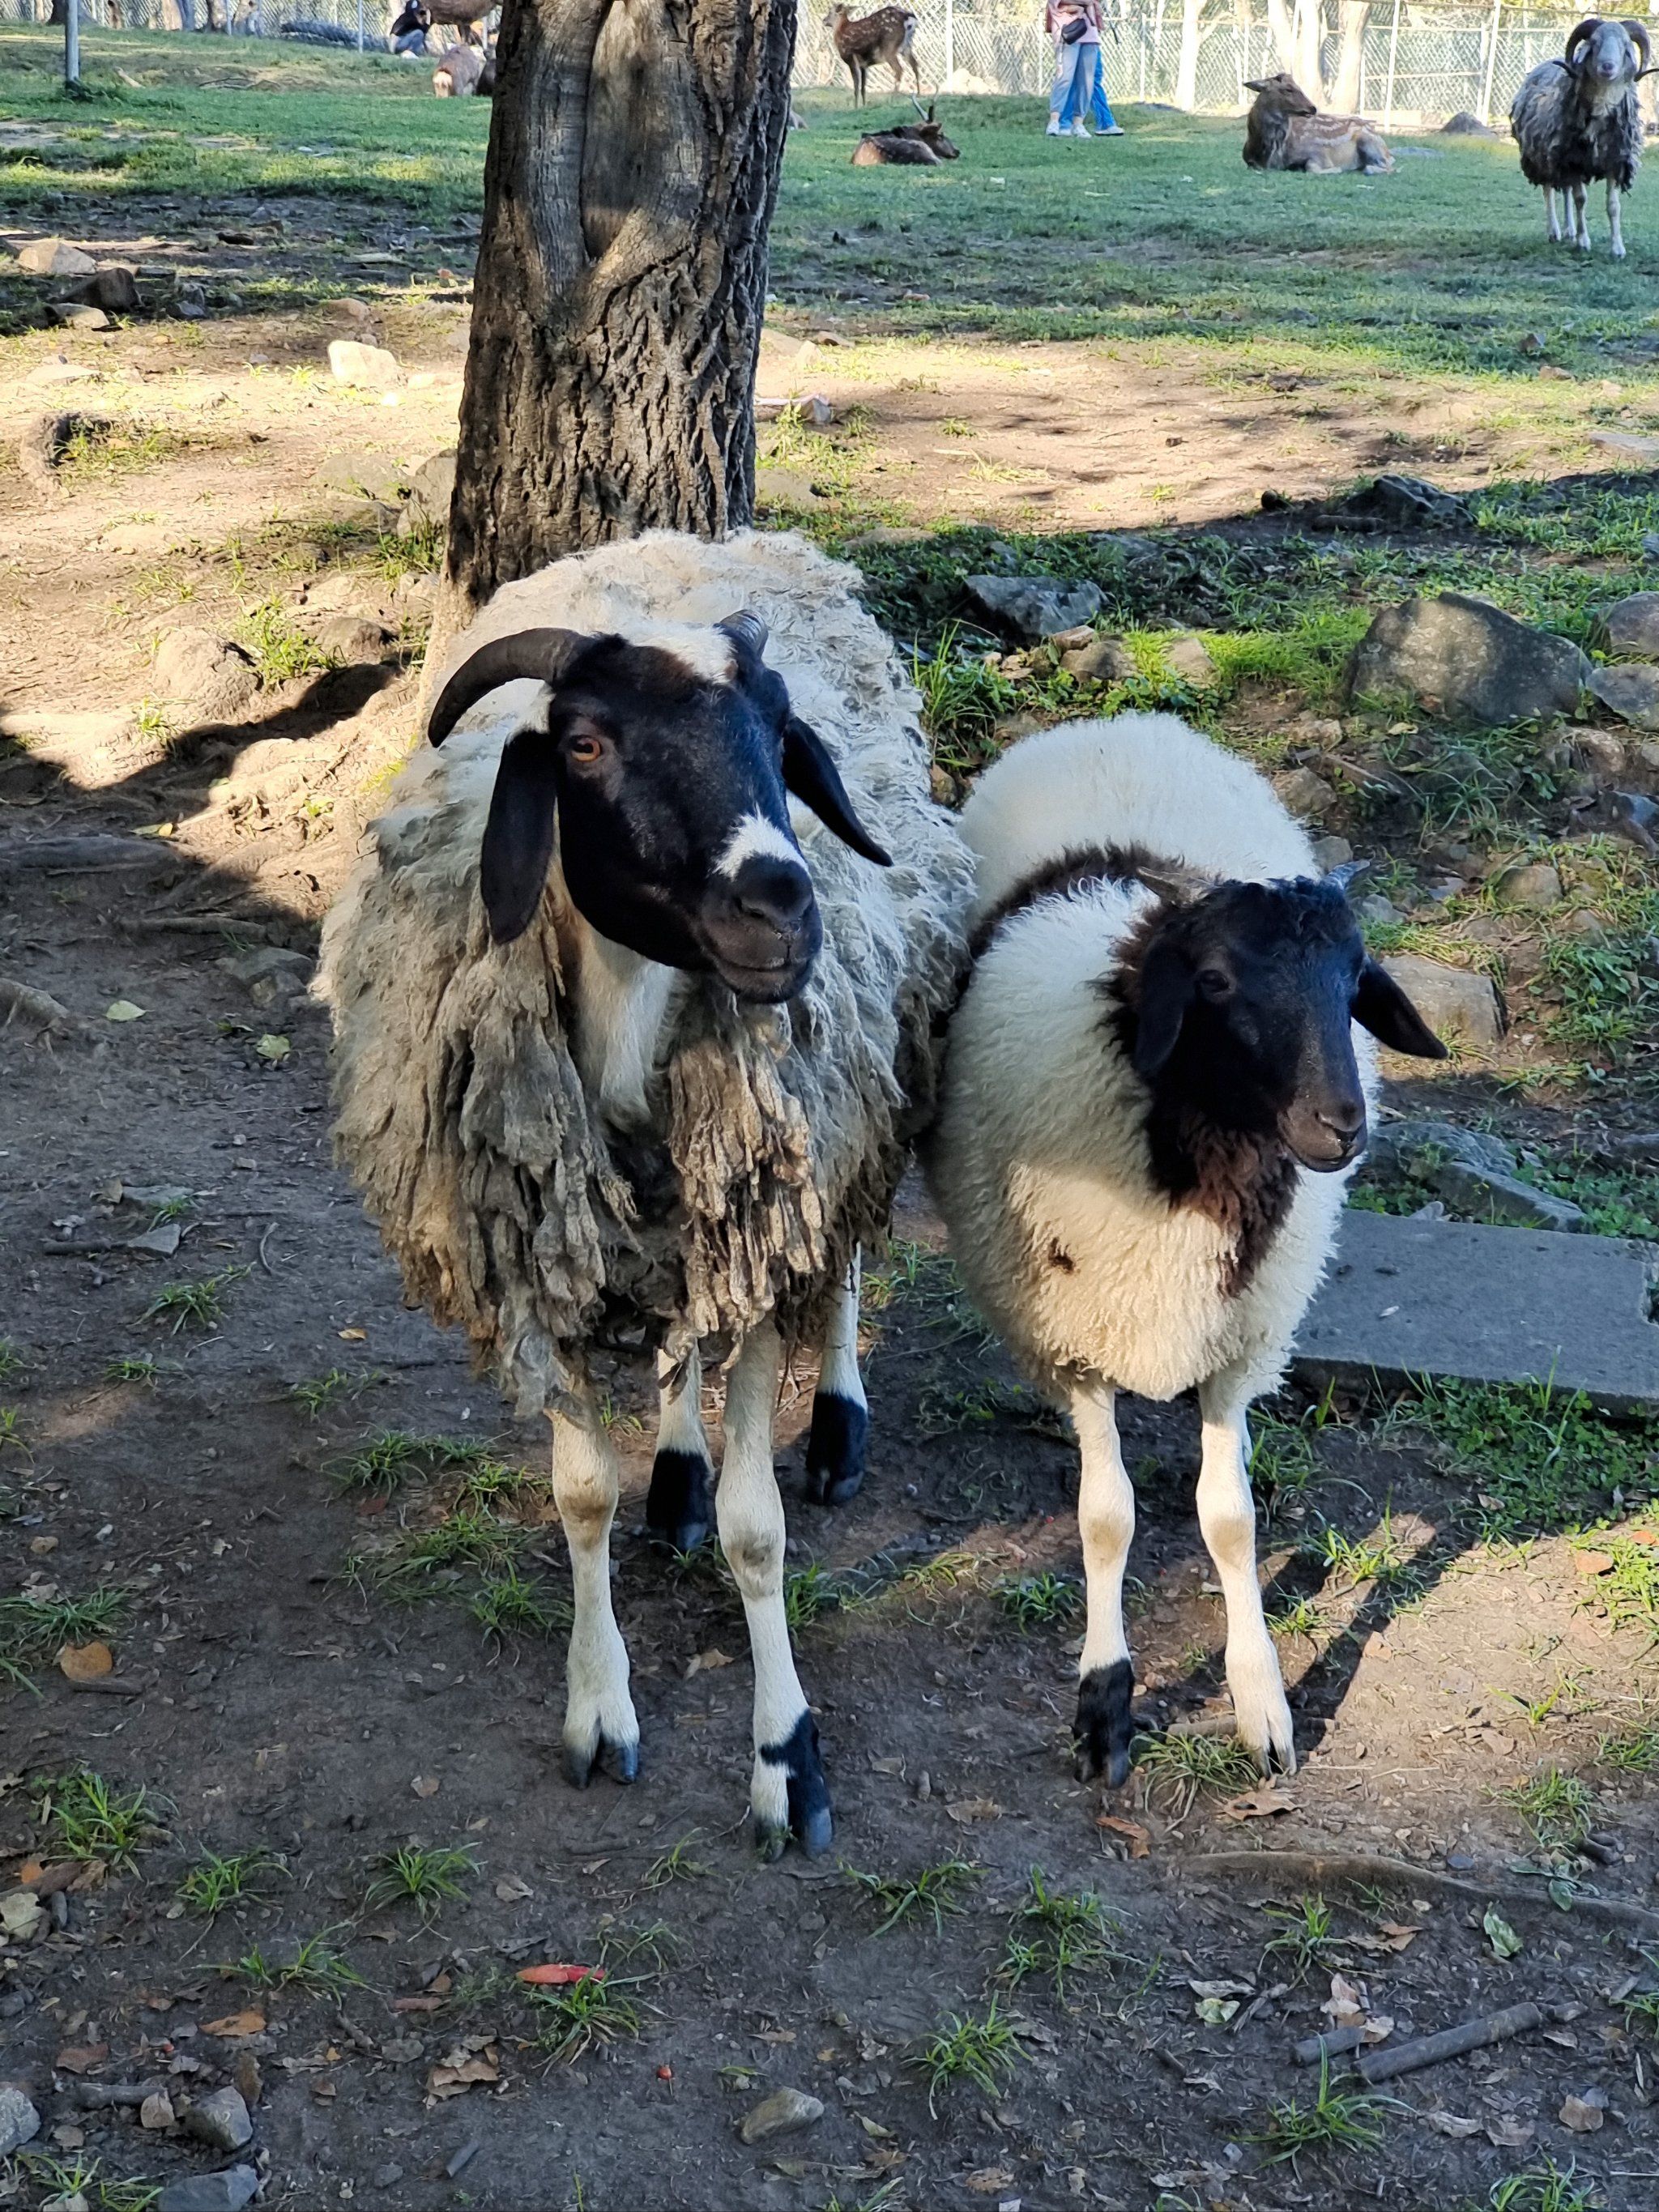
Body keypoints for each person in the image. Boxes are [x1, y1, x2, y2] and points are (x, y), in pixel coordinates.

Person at [1044, 0, 1124, 137]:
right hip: (1067, 31)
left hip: (1089, 31)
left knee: (1087, 81)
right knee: (1065, 77)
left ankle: (1078, 124)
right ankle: (1055, 121)